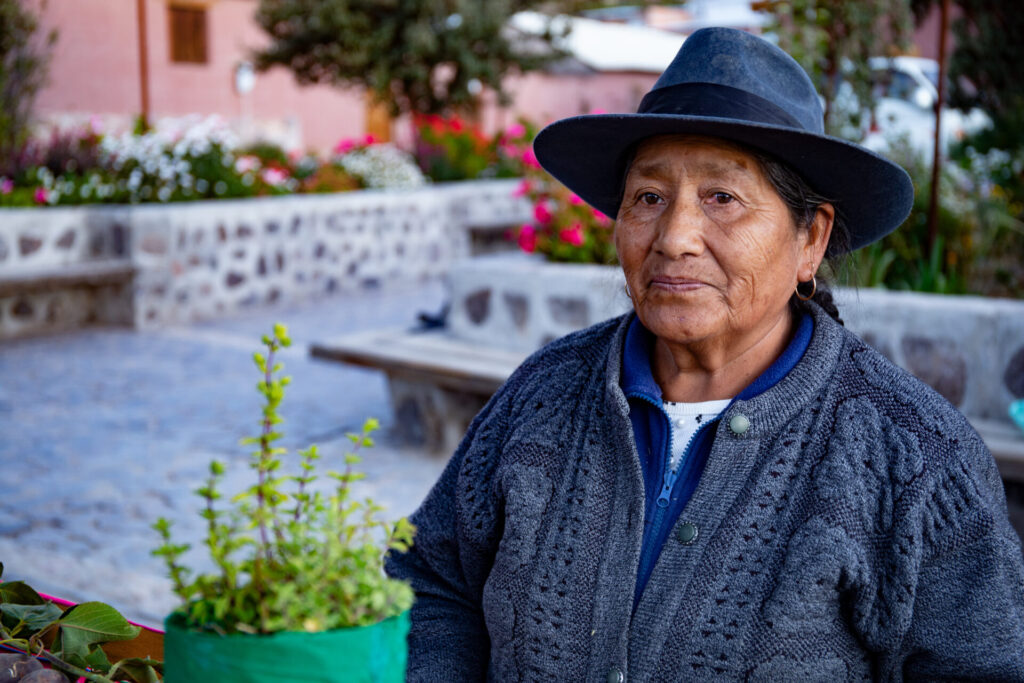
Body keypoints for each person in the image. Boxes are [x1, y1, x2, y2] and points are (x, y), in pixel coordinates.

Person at [386, 27, 1024, 680]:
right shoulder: (543, 394)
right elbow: (432, 578)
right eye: (649, 198)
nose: (675, 237)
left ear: (811, 240)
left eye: (722, 198)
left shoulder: (914, 458)